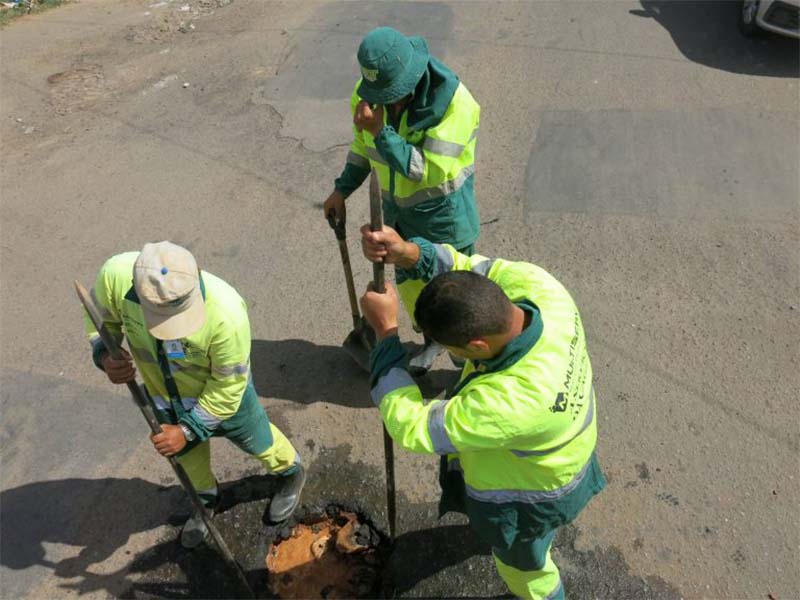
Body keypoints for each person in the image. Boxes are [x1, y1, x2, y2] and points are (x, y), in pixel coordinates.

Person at [358, 226, 606, 600]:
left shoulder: (507, 404)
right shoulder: (543, 289)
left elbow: (412, 426)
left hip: (537, 494)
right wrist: (408, 252)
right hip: (568, 449)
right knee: (540, 539)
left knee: (525, 568)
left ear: (476, 344)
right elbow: (469, 267)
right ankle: (543, 540)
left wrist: (386, 334)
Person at [83, 241, 305, 548]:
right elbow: (100, 321)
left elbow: (227, 387)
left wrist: (188, 430)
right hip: (164, 398)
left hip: (224, 400)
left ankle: (291, 471)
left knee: (258, 439)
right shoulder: (114, 277)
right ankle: (205, 499)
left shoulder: (227, 314)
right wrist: (104, 355)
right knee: (189, 460)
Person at [323, 26, 481, 374]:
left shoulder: (455, 103)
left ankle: (466, 363)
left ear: (413, 77)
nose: (387, 102)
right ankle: (433, 341)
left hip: (444, 219)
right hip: (399, 219)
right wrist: (341, 189)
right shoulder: (368, 96)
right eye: (382, 94)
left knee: (456, 297)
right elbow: (362, 148)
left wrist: (381, 131)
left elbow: (421, 170)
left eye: (393, 94)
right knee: (414, 292)